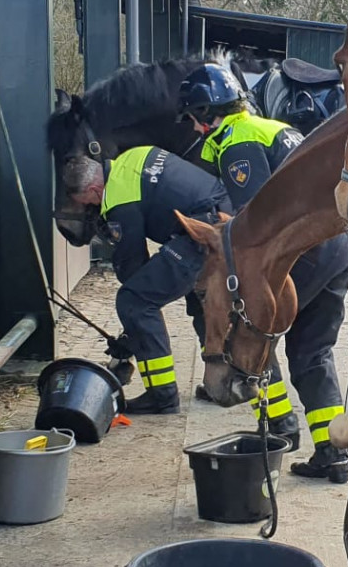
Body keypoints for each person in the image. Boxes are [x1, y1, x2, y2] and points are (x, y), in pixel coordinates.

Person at [178, 62, 348, 478]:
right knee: (312, 349)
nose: (192, 128)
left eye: (193, 117)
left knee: (252, 322)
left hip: (303, 246)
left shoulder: (237, 141)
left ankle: (278, 426)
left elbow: (255, 215)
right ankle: (333, 452)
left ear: (207, 113)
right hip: (340, 241)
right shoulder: (268, 126)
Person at [66, 144, 229, 415]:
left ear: (94, 190)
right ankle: (222, 384)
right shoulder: (132, 157)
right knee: (200, 303)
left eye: (88, 204)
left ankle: (162, 396)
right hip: (223, 220)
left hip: (202, 233)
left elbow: (133, 268)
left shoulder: (117, 198)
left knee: (135, 301)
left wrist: (130, 338)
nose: (91, 209)